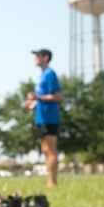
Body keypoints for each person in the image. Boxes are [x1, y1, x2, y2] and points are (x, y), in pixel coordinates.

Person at [25, 48, 62, 188]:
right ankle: (50, 180)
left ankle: (52, 182)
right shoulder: (41, 76)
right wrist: (33, 103)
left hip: (50, 118)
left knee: (51, 149)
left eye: (37, 56)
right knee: (45, 150)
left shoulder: (50, 74)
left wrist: (38, 97)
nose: (35, 58)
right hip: (41, 118)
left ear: (45, 58)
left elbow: (58, 96)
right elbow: (42, 98)